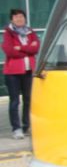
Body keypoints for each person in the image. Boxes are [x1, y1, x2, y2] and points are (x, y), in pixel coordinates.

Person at [2, 8, 40, 139]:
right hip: (13, 72)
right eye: (16, 17)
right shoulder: (8, 33)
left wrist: (21, 48)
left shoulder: (30, 32)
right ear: (12, 19)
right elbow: (9, 51)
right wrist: (28, 49)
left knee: (28, 99)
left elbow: (36, 48)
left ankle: (26, 126)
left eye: (21, 17)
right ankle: (16, 129)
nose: (19, 19)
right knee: (14, 101)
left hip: (28, 71)